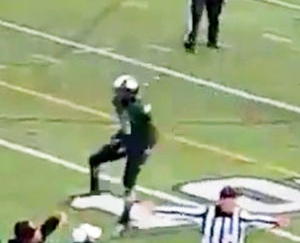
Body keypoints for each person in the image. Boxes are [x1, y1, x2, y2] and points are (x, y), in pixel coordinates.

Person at [87, 75, 157, 236]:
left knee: (128, 184)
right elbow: (126, 126)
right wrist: (118, 137)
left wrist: (144, 147)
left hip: (139, 146)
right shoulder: (121, 104)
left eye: (121, 91)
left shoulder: (137, 110)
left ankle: (125, 220)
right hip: (127, 141)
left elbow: (147, 131)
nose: (117, 94)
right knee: (95, 160)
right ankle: (94, 191)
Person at [138, 186, 287, 243]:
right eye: (228, 200)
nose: (231, 203)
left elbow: (257, 219)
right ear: (220, 200)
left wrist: (275, 221)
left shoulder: (241, 216)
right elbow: (181, 211)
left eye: (233, 200)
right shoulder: (206, 213)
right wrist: (156, 209)